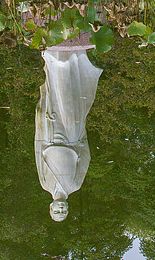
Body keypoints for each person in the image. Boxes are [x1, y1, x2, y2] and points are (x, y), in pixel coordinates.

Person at [34, 47, 102, 221]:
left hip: (50, 135)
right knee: (68, 100)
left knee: (53, 100)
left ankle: (53, 62)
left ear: (51, 207)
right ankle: (68, 63)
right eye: (63, 212)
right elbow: (85, 158)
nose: (61, 209)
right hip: (72, 137)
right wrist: (81, 138)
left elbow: (39, 156)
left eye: (57, 211)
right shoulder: (75, 185)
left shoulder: (45, 184)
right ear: (68, 208)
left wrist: (41, 129)